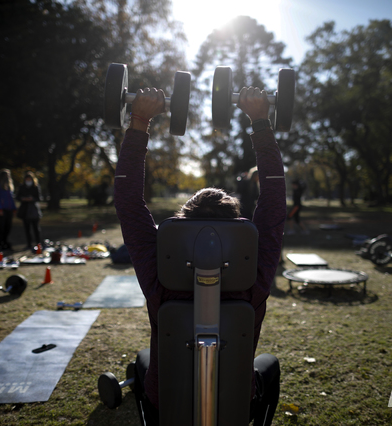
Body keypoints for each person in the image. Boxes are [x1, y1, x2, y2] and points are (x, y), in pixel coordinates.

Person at [114, 86, 285, 426]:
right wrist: (261, 121)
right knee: (271, 365)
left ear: (182, 229)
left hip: (167, 406)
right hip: (237, 405)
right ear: (239, 232)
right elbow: (275, 199)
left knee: (142, 361)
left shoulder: (158, 273)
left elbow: (128, 201)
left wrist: (140, 121)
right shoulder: (257, 276)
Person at [0, 169, 16, 250]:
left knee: (8, 227)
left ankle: (5, 241)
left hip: (9, 210)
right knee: (1, 227)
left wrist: (14, 208)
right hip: (1, 210)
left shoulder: (9, 187)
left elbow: (11, 199)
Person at [16, 171, 43, 250]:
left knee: (36, 228)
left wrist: (32, 199)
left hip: (34, 210)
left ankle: (38, 243)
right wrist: (23, 199)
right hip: (25, 210)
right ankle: (29, 244)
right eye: (27, 179)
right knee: (27, 228)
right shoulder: (22, 187)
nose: (28, 181)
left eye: (29, 179)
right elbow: (17, 197)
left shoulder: (36, 186)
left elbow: (39, 198)